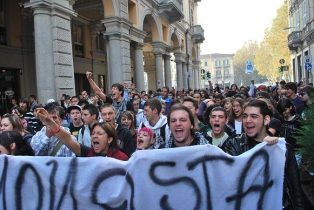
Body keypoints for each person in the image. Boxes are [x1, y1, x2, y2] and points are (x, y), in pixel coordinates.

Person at [220, 99, 304, 210]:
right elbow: (230, 180)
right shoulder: (233, 144)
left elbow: (295, 189)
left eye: (254, 116)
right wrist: (261, 149)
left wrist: (271, 149)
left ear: (266, 120)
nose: (247, 120)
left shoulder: (282, 149)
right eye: (245, 116)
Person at [35, 107, 128, 160]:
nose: (94, 136)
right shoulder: (88, 153)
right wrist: (49, 122)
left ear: (109, 139)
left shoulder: (121, 158)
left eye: (99, 133)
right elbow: (67, 139)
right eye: (93, 133)